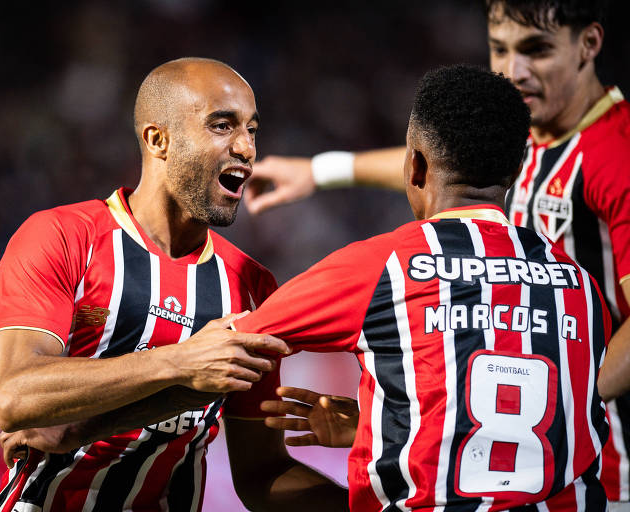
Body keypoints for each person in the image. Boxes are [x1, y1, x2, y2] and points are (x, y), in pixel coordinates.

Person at [247, 0, 630, 505]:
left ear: (590, 44)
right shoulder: (527, 135)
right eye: (499, 48)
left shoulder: (615, 156)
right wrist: (321, 171)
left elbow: (237, 344)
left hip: (602, 458)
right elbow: (448, 160)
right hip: (525, 434)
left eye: (536, 50)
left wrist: (558, 399)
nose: (513, 71)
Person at [0, 57, 348, 512]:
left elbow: (262, 472)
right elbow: (16, 394)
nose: (247, 149)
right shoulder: (64, 236)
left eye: (252, 131)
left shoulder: (251, 286)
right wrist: (179, 362)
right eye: (222, 126)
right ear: (159, 140)